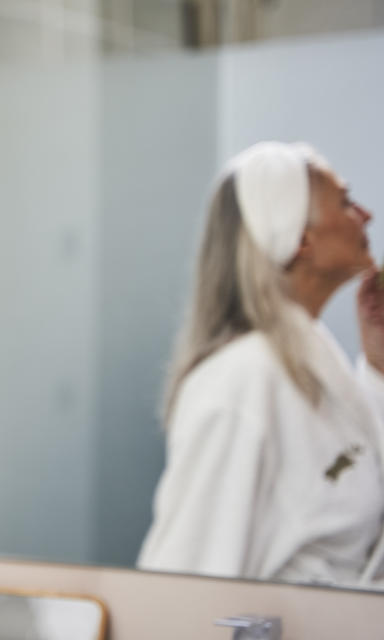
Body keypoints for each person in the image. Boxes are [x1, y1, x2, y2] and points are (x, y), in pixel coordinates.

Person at [138, 141, 384, 586]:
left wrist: (379, 370)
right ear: (301, 238)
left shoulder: (307, 354)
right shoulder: (240, 382)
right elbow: (181, 584)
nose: (365, 215)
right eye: (345, 203)